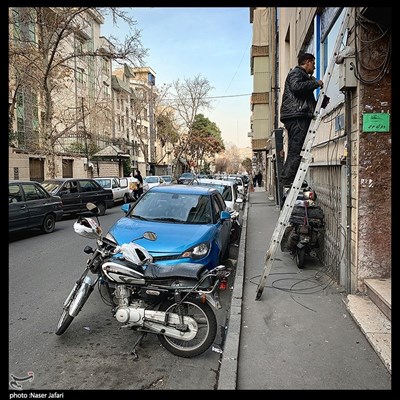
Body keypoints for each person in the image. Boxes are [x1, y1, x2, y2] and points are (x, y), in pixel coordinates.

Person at [279, 53, 324, 187]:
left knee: (297, 149)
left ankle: (290, 178)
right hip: (296, 116)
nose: (314, 68)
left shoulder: (302, 76)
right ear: (308, 62)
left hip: (297, 115)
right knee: (295, 149)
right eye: (314, 64)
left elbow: (303, 98)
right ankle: (287, 179)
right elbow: (297, 88)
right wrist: (315, 83)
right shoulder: (296, 73)